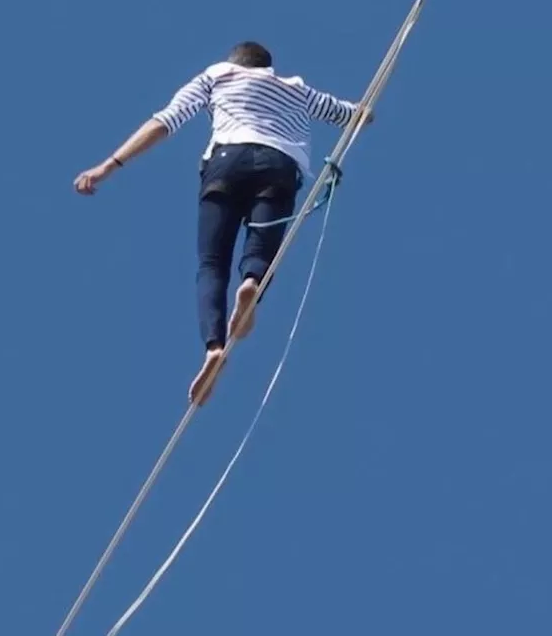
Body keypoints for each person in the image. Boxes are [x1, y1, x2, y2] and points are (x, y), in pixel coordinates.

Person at [74, 41, 369, 404]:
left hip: (227, 162)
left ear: (235, 61)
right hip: (280, 165)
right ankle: (252, 282)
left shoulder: (217, 75)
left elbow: (166, 120)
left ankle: (214, 346)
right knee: (263, 243)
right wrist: (365, 108)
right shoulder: (296, 88)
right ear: (267, 67)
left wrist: (107, 166)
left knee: (212, 262)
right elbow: (356, 117)